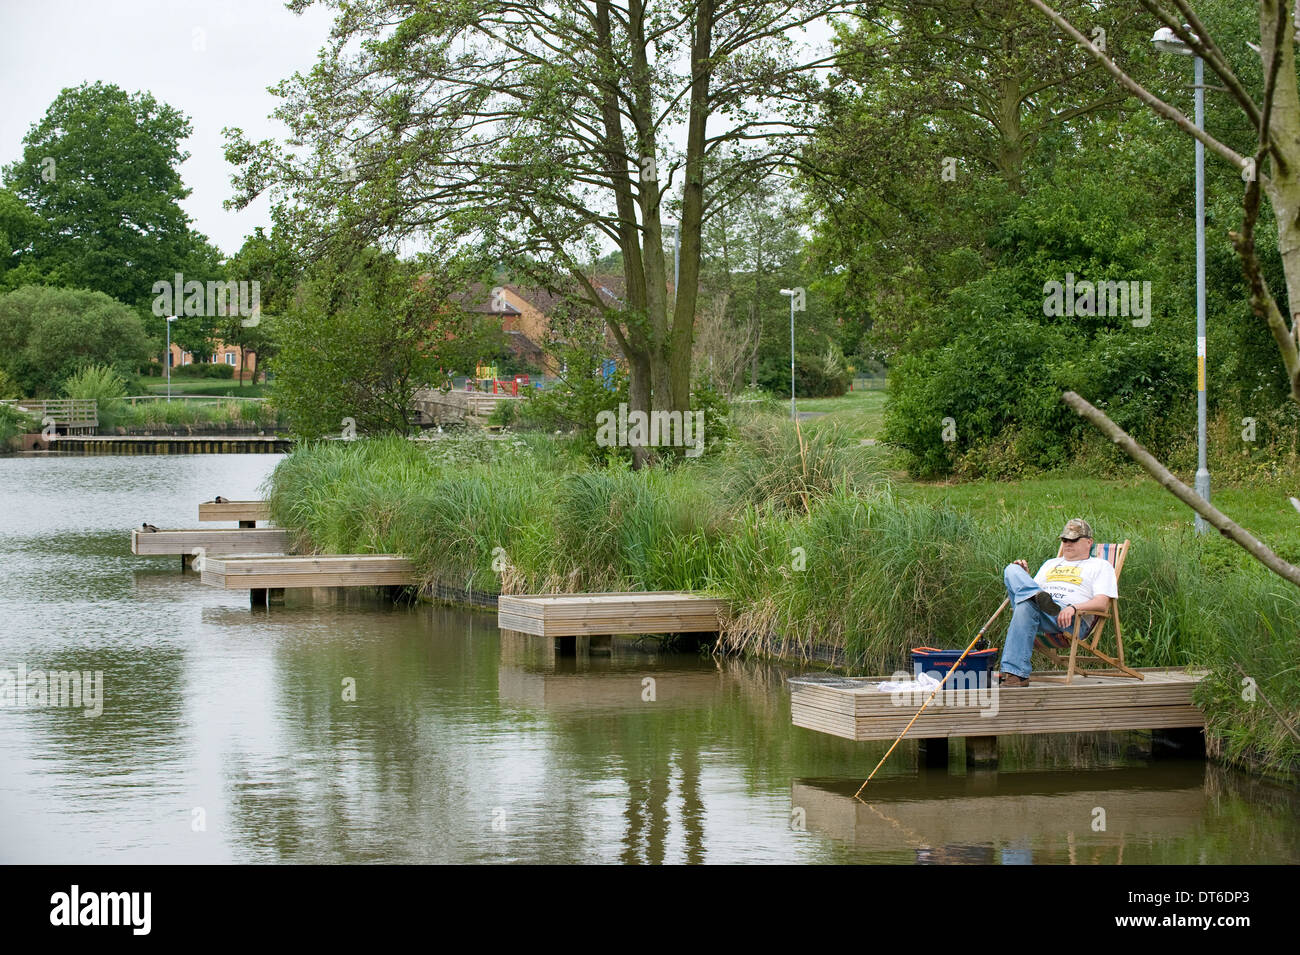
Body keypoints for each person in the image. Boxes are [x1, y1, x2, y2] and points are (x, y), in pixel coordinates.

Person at [997, 519, 1118, 686]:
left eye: (1074, 539)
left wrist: (1073, 608)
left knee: (1025, 605)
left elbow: (1102, 603)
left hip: (1070, 618)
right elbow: (1036, 592)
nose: (1068, 543)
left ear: (1089, 542)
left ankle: (1016, 674)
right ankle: (1016, 673)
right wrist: (1024, 576)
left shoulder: (1101, 566)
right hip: (1043, 609)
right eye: (1064, 539)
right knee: (1012, 569)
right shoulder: (1050, 564)